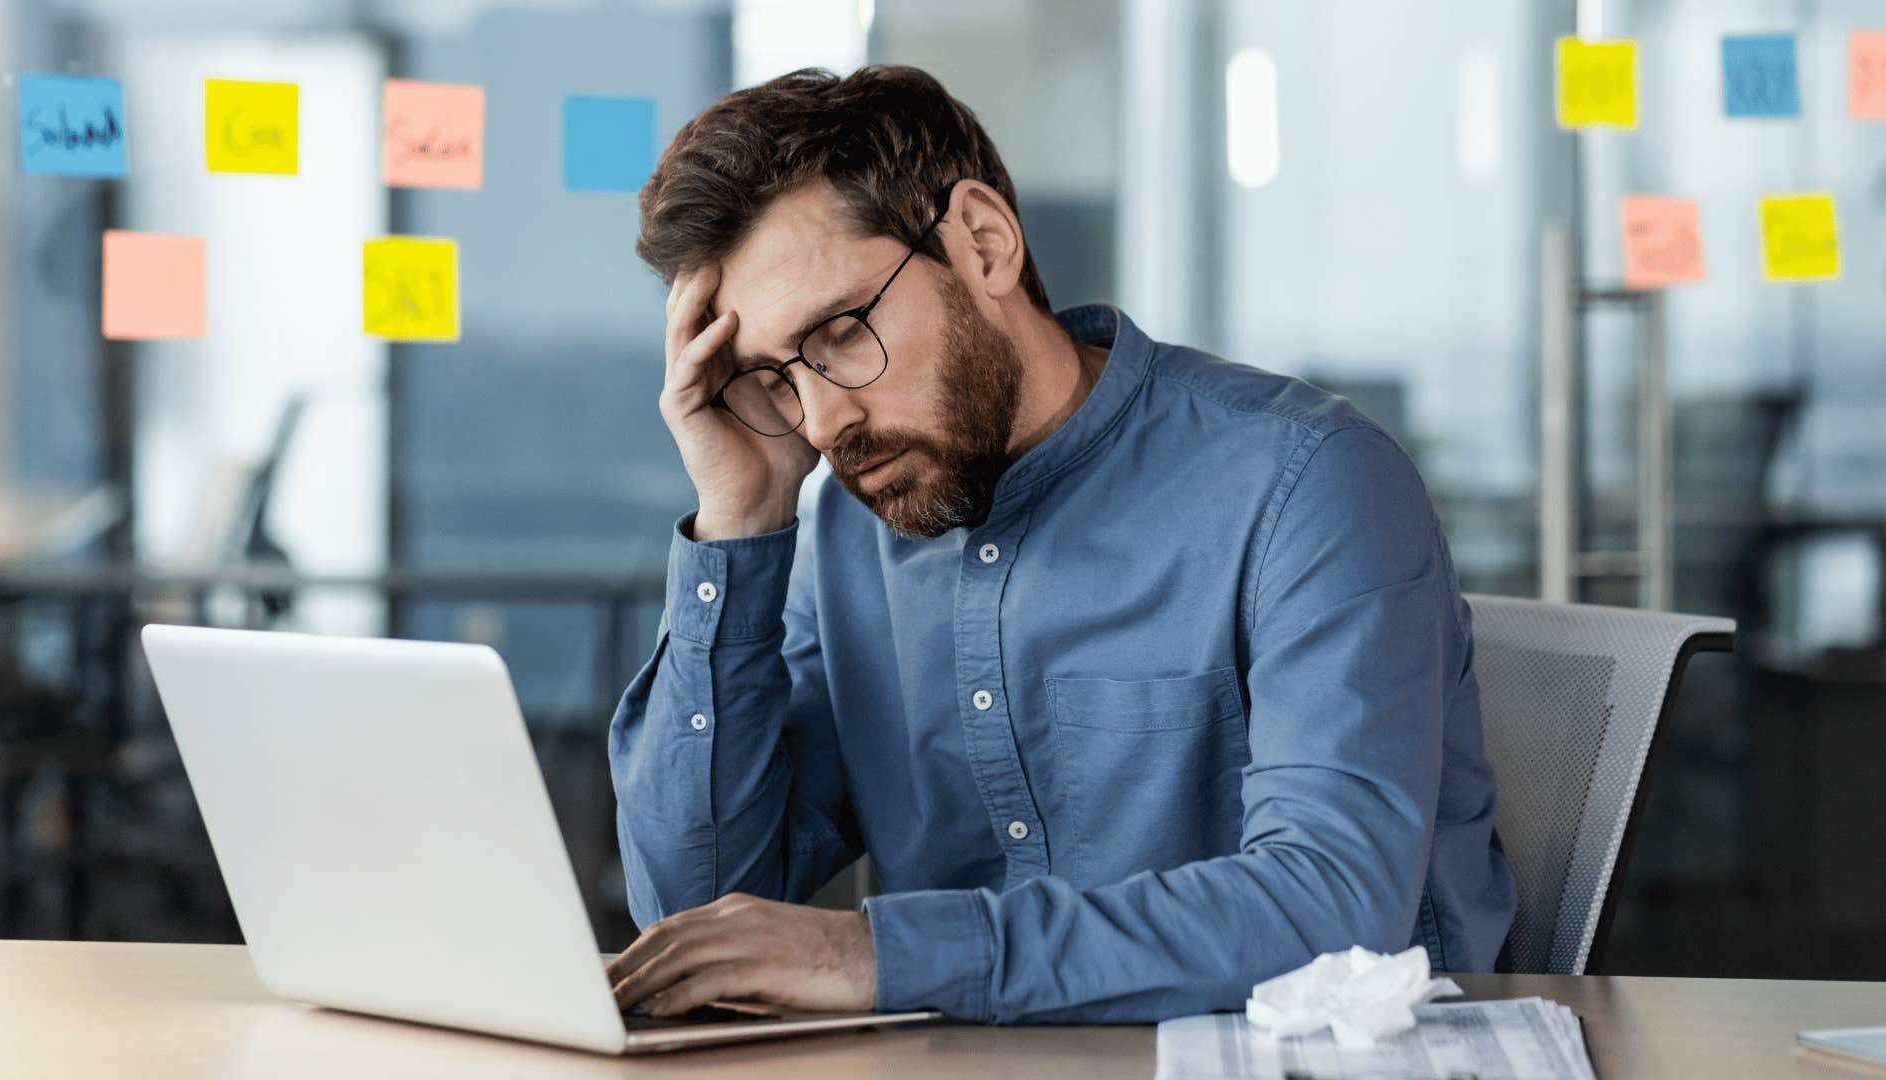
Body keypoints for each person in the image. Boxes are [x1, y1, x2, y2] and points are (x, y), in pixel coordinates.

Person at [604, 64, 1515, 1024]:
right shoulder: (845, 531)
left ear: (984, 244)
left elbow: (1332, 909)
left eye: (838, 332)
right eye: (775, 377)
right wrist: (740, 522)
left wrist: (885, 953)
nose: (823, 420)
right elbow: (693, 913)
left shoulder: (1306, 481)